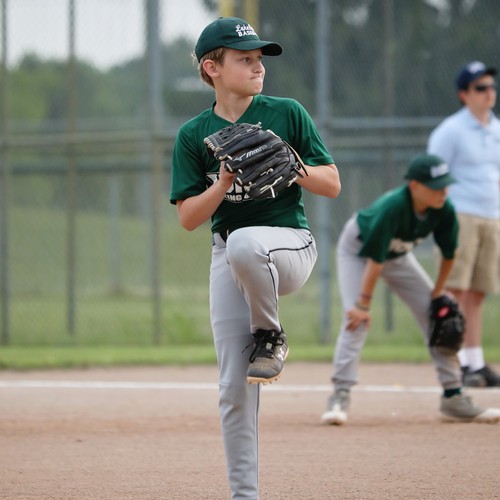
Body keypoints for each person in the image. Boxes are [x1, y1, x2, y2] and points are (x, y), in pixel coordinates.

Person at [170, 17, 341, 499]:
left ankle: (270, 334)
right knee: (233, 386)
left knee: (246, 242)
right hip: (229, 254)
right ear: (212, 68)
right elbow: (188, 217)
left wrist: (292, 164)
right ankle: (244, 495)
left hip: (289, 245)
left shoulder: (286, 113)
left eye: (259, 59)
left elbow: (332, 184)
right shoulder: (194, 134)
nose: (257, 67)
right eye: (244, 59)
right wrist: (222, 182)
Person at [321, 153, 500, 426]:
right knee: (356, 318)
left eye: (445, 185)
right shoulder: (393, 206)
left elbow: (449, 255)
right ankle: (340, 395)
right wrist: (363, 304)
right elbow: (376, 260)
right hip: (358, 250)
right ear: (414, 185)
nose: (443, 192)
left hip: (398, 256)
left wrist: (438, 294)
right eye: (436, 186)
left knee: (441, 316)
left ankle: (453, 396)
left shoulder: (444, 209)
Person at [427, 61, 500, 387]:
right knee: (455, 289)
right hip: (461, 215)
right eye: (480, 88)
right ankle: (455, 364)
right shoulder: (451, 131)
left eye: (491, 87)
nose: (489, 93)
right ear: (464, 94)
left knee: (478, 291)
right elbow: (434, 174)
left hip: (491, 216)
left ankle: (475, 362)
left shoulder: (496, 129)